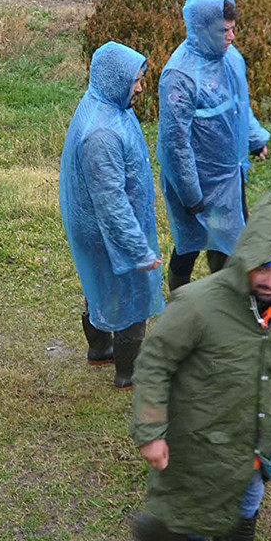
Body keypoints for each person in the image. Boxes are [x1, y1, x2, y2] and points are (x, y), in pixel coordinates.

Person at [130, 197, 271, 541]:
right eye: (263, 269)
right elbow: (153, 363)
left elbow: (268, 352)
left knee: (247, 502)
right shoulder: (198, 305)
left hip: (248, 434)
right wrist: (150, 432)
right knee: (196, 525)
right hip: (201, 435)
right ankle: (150, 530)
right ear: (245, 261)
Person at [58, 42, 165, 389]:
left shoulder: (104, 103)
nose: (140, 87)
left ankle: (99, 350)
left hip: (96, 226)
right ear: (116, 79)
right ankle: (128, 374)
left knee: (98, 288)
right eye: (135, 80)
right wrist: (138, 250)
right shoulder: (102, 133)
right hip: (109, 230)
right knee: (132, 300)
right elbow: (112, 204)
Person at [158, 0, 269, 294]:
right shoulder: (179, 77)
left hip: (231, 176)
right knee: (189, 244)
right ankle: (179, 300)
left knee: (231, 238)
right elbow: (175, 143)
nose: (232, 36)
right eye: (224, 31)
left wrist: (255, 139)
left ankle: (223, 301)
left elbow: (240, 105)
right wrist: (191, 195)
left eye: (234, 29)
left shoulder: (230, 59)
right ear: (202, 29)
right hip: (198, 182)